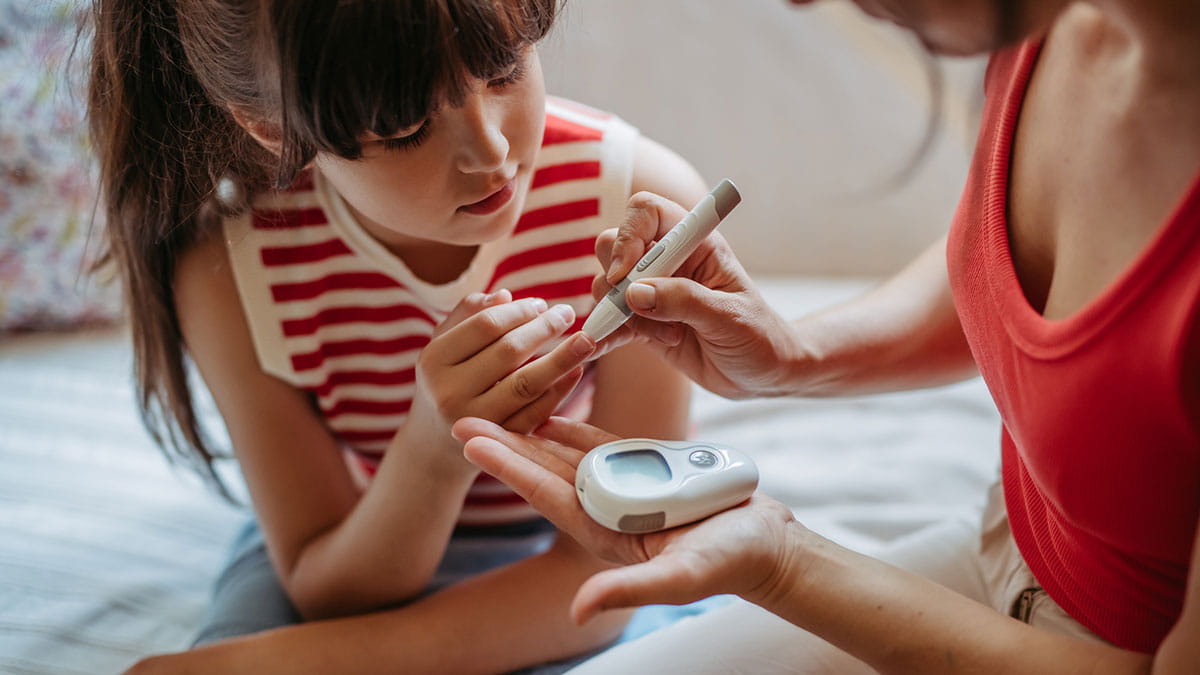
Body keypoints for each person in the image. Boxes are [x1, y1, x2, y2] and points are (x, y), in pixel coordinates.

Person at [452, 0, 1200, 672]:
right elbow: (1016, 270)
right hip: (1002, 548)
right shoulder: (1054, 21)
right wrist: (788, 356)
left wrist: (784, 566)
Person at [87, 0, 712, 672]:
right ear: (271, 127)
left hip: (561, 561)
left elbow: (613, 566)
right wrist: (433, 453)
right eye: (409, 128)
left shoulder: (634, 206)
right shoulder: (233, 272)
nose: (492, 151)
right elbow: (326, 584)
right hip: (361, 546)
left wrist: (293, 663)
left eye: (502, 71)